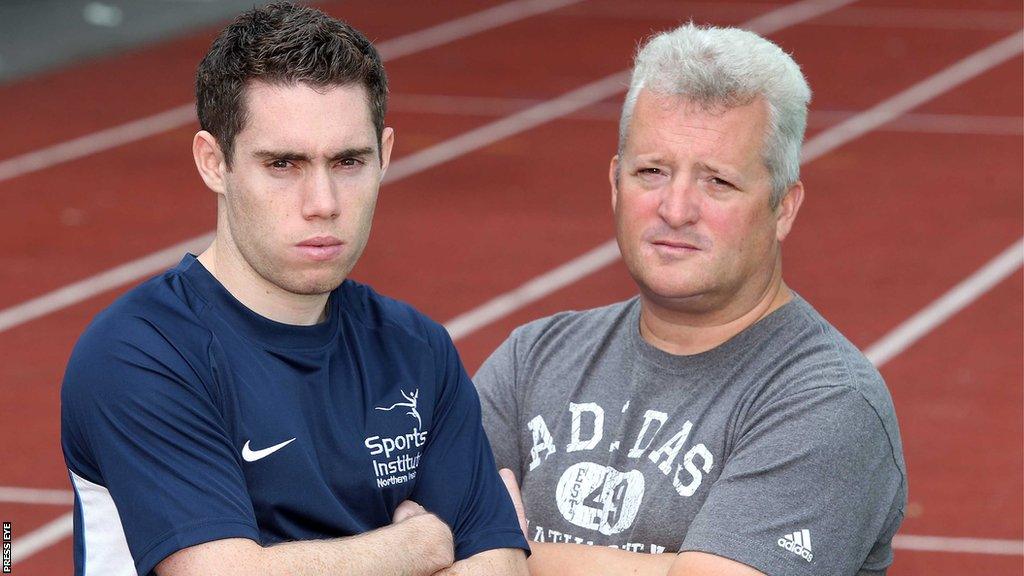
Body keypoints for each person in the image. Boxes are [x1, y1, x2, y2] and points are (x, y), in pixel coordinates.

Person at [60, 3, 529, 575]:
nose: (324, 203)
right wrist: (420, 547)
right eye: (284, 163)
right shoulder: (142, 353)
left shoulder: (418, 349)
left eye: (349, 161)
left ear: (384, 156)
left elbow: (498, 568)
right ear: (213, 162)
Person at [475, 22, 907, 576]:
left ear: (783, 208)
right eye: (651, 172)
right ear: (615, 185)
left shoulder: (829, 403)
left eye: (717, 182)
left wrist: (499, 552)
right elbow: (413, 536)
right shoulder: (533, 358)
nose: (675, 209)